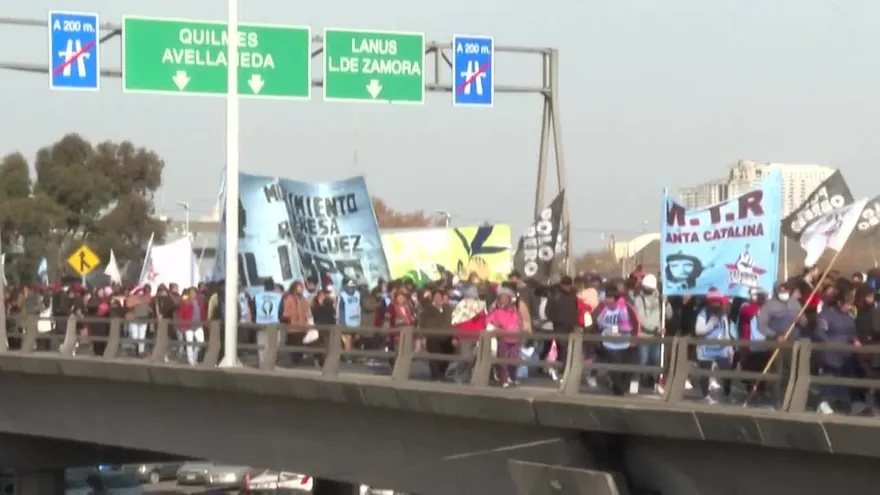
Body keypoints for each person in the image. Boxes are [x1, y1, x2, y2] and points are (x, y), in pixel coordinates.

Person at [814, 289, 859, 414]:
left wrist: (855, 340)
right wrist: (828, 343)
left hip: (845, 354)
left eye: (851, 304)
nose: (849, 307)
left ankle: (838, 401)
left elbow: (852, 333)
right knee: (829, 376)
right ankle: (823, 402)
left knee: (841, 377)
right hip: (830, 353)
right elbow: (820, 332)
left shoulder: (849, 317)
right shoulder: (826, 314)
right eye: (847, 304)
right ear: (840, 303)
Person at [593, 285, 641, 396]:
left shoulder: (626, 307)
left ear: (615, 298)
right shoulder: (605, 309)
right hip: (609, 343)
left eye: (610, 298)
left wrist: (633, 337)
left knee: (624, 367)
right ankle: (619, 389)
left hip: (623, 342)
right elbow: (599, 322)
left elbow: (633, 322)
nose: (607, 300)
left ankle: (621, 387)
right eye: (606, 298)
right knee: (614, 367)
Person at [694, 289, 736, 404]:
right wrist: (711, 325)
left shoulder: (722, 314)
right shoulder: (703, 313)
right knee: (705, 373)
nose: (717, 305)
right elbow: (698, 331)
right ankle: (705, 395)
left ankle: (727, 393)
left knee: (727, 370)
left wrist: (730, 348)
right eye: (715, 302)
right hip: (706, 349)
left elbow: (726, 330)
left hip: (721, 349)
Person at [630, 274, 669, 393]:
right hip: (644, 335)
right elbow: (641, 319)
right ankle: (635, 381)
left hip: (657, 337)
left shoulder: (660, 299)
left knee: (657, 359)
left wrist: (666, 305)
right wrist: (654, 328)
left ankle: (658, 382)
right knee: (642, 359)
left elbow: (669, 315)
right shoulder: (638, 299)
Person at [486, 287, 523, 387]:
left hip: (515, 339)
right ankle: (504, 379)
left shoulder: (516, 312)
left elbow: (520, 324)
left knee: (514, 359)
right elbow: (488, 323)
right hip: (503, 338)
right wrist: (496, 330)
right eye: (501, 297)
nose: (503, 299)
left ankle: (512, 376)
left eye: (505, 297)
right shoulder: (496, 312)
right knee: (502, 359)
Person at [420, 288, 453, 381]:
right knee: (434, 357)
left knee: (446, 356)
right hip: (432, 336)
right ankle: (436, 376)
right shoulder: (428, 310)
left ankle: (442, 373)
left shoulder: (448, 308)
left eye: (440, 296)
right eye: (436, 296)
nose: (438, 298)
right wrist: (422, 336)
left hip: (446, 337)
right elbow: (422, 323)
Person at [254, 279, 283, 365]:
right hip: (274, 324)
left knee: (261, 344)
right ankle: (271, 362)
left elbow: (253, 309)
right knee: (274, 344)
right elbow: (281, 311)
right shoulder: (279, 297)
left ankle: (262, 363)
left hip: (260, 323)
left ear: (264, 286)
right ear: (273, 286)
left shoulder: (257, 296)